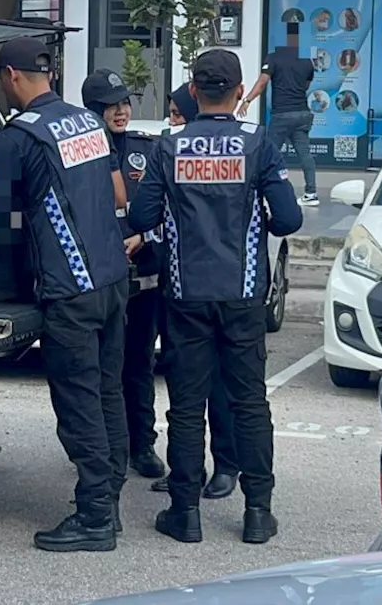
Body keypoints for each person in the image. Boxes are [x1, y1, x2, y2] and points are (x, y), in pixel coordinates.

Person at [130, 49, 304, 545]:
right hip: (243, 293)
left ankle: (184, 513)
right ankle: (257, 513)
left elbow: (142, 218)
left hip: (185, 294)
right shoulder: (258, 143)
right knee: (249, 402)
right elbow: (289, 220)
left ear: (193, 88)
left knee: (186, 406)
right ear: (239, 88)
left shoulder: (170, 145)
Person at [0, 38, 130, 553]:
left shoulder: (16, 136)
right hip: (114, 280)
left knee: (78, 403)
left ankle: (94, 517)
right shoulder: (86, 121)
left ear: (11, 77)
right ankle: (109, 501)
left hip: (70, 289)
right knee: (107, 393)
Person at [150, 82, 241, 500]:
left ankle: (226, 464)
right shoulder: (168, 152)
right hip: (182, 283)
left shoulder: (230, 149)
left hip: (225, 286)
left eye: (175, 112)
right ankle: (185, 469)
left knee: (220, 386)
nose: (172, 121)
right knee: (184, 391)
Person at [80, 68, 165, 481]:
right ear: (92, 110)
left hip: (143, 278)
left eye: (125, 103)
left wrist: (146, 236)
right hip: (97, 279)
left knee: (139, 362)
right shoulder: (78, 152)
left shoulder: (147, 149)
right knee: (98, 367)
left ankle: (141, 443)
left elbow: (167, 206)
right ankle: (101, 446)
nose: (120, 111)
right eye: (110, 105)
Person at [238, 21, 319, 206]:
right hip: (302, 113)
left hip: (282, 113)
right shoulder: (307, 61)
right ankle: (311, 193)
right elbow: (306, 85)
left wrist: (247, 100)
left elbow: (262, 83)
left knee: (267, 153)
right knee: (305, 154)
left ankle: (258, 192)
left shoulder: (273, 58)